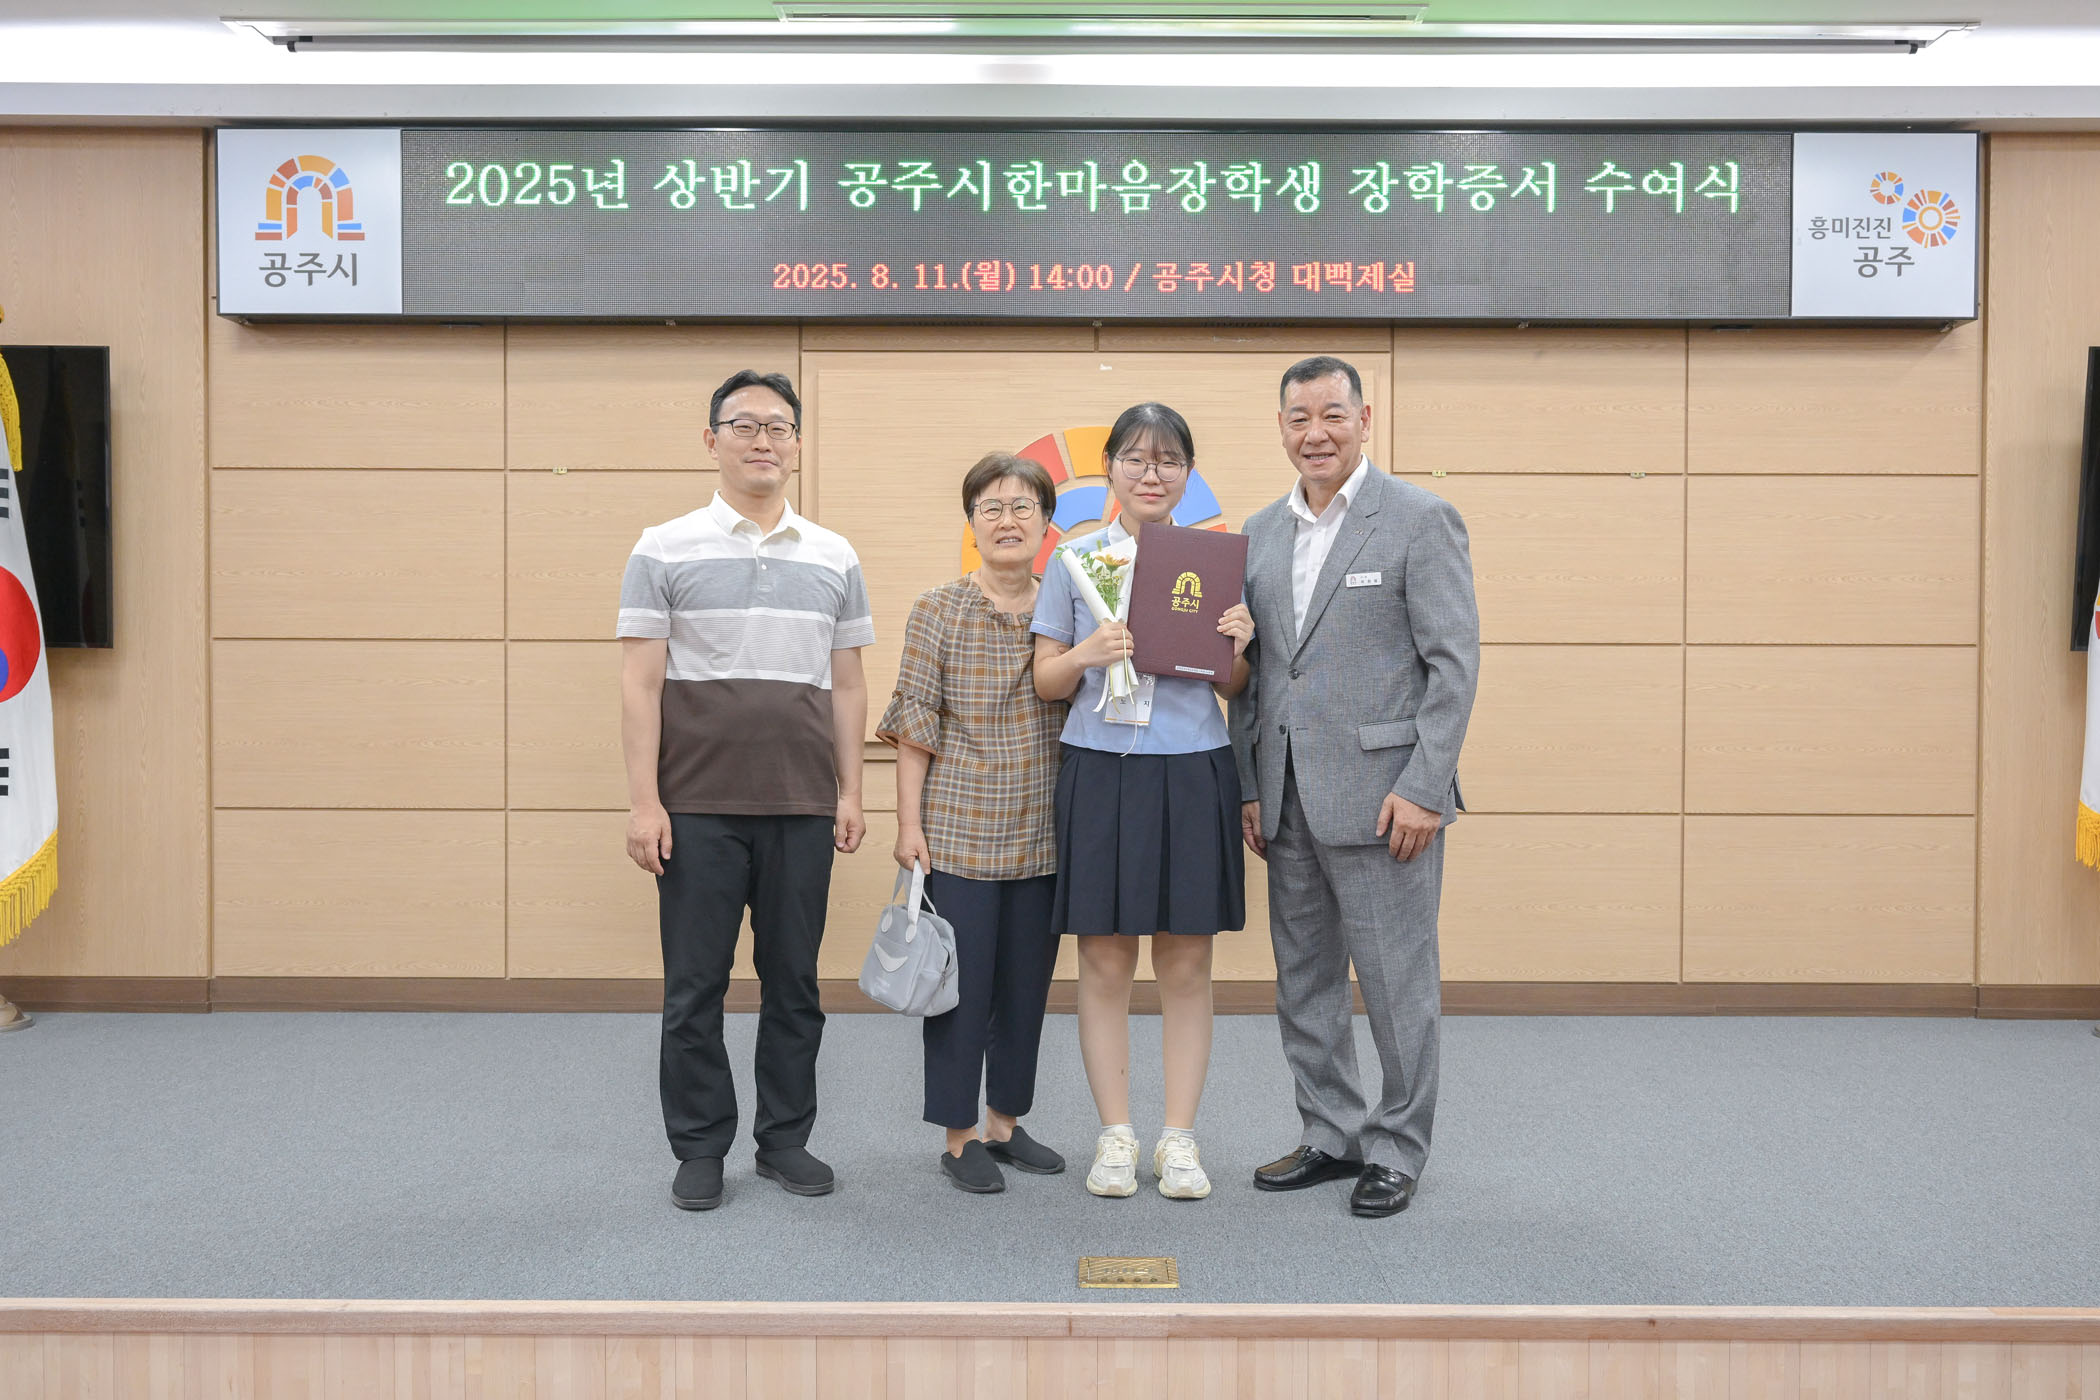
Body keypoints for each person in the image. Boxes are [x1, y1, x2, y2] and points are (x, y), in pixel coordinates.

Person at [618, 369, 874, 1213]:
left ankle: (784, 1140)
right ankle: (699, 1147)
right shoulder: (663, 546)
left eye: (779, 427)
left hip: (802, 803)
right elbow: (640, 685)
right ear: (712, 440)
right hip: (695, 805)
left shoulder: (834, 554)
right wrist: (644, 802)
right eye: (745, 425)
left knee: (794, 983)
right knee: (693, 988)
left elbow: (847, 685)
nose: (763, 440)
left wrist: (850, 792)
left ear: (797, 445)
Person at [1230, 355, 1479, 1219]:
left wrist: (1425, 786)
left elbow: (1453, 665)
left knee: (1397, 985)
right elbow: (1258, 671)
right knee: (1304, 982)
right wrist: (1250, 784)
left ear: (1365, 420)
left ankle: (1398, 1147)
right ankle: (1331, 1133)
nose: (1316, 433)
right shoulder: (1259, 533)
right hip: (1286, 797)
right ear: (1281, 429)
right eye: (1299, 418)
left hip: (1387, 801)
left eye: (1333, 414)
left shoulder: (1419, 519)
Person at [1031, 402, 1255, 1202]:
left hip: (1192, 769)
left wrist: (1240, 644)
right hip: (1101, 770)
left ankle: (1180, 1138)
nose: (1150, 474)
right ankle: (1117, 1135)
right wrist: (1087, 654)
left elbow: (1234, 686)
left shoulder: (1217, 562)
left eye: (1167, 461)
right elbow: (1046, 679)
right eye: (1134, 458)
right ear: (1110, 470)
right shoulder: (1076, 559)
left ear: (1188, 475)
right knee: (1103, 958)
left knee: (1187, 961)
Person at [876, 453, 1070, 1194]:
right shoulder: (938, 608)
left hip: (1045, 832)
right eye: (992, 507)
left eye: (1024, 507)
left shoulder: (1068, 606)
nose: (1008, 520)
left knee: (1025, 991)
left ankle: (1005, 1125)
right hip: (959, 830)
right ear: (971, 523)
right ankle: (959, 1138)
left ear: (1046, 524)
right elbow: (914, 728)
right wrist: (909, 825)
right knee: (959, 993)